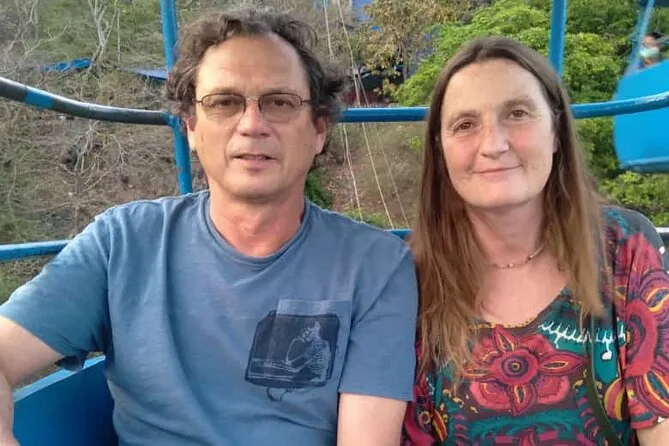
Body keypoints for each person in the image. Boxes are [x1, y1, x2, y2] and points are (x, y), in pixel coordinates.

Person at [0, 7, 418, 446]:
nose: (252, 125)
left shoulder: (376, 266)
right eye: (224, 102)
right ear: (191, 127)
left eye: (279, 102)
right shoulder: (121, 245)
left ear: (319, 130)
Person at [402, 36, 669, 445]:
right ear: (440, 151)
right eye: (465, 125)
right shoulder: (406, 281)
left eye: (517, 114)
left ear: (556, 131)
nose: (494, 145)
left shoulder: (623, 248)